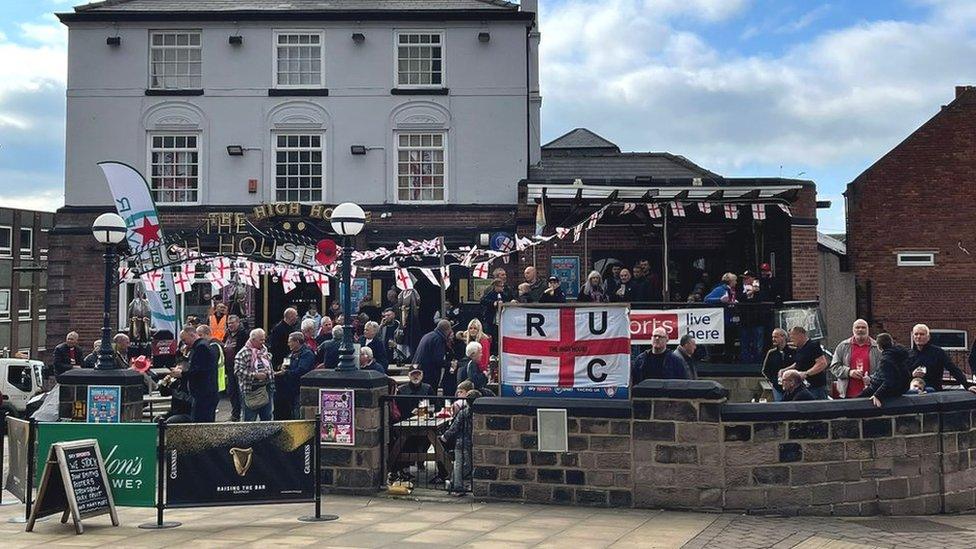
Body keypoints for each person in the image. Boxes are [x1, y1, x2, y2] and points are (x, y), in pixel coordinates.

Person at [172, 325, 219, 422]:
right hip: (204, 393)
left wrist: (182, 373)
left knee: (200, 423)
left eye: (185, 340)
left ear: (192, 335)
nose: (184, 343)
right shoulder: (201, 346)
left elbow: (199, 370)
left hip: (204, 394)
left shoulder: (201, 347)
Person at [910, 323, 976, 392]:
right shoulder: (908, 354)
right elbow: (902, 374)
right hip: (913, 393)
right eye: (916, 334)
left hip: (933, 393)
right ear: (913, 336)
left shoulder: (938, 352)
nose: (918, 337)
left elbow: (953, 369)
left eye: (922, 334)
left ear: (928, 337)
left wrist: (967, 385)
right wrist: (912, 374)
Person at [441, 388, 481, 496]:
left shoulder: (463, 412)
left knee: (459, 465)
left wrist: (445, 437)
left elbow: (454, 427)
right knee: (467, 465)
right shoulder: (476, 414)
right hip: (469, 443)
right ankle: (458, 486)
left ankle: (455, 484)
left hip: (460, 442)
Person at [829, 319, 880, 398]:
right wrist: (849, 372)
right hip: (847, 395)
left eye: (863, 327)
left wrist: (871, 379)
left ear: (868, 330)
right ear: (853, 330)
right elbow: (834, 367)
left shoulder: (877, 347)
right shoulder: (843, 346)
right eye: (857, 327)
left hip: (872, 395)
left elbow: (883, 370)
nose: (860, 330)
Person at [858, 333, 911, 406]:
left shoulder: (885, 360)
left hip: (881, 390)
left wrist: (877, 395)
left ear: (879, 346)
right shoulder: (901, 355)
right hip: (901, 390)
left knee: (857, 400)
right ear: (891, 342)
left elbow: (889, 381)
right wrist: (871, 378)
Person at [234, 328, 275, 421]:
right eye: (261, 340)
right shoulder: (243, 353)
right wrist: (255, 375)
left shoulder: (264, 350)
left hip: (266, 390)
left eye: (264, 339)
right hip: (250, 392)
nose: (263, 342)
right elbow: (238, 371)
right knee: (249, 420)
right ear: (253, 340)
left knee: (267, 419)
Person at [778, 326, 829, 400]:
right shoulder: (799, 348)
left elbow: (822, 363)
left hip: (815, 386)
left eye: (792, 337)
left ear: (800, 335)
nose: (791, 340)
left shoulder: (813, 345)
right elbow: (798, 363)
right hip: (803, 386)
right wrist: (785, 370)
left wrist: (806, 373)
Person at [274, 332, 316, 420]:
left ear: (297, 341)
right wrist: (281, 367)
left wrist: (286, 373)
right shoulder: (291, 353)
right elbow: (286, 364)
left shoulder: (307, 354)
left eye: (290, 341)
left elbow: (302, 370)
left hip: (299, 389)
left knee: (297, 412)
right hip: (289, 390)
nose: (288, 344)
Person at [414, 320, 453, 392]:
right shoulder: (438, 339)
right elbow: (438, 360)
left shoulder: (428, 335)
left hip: (419, 369)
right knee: (430, 395)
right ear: (448, 330)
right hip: (429, 373)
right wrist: (450, 364)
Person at [222, 314, 248, 422]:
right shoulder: (227, 334)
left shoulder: (244, 334)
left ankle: (245, 414)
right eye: (229, 323)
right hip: (229, 368)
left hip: (241, 368)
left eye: (232, 323)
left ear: (238, 323)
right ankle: (235, 414)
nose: (230, 325)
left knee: (241, 392)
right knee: (232, 391)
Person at [737, 270, 764, 364]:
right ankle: (745, 361)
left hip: (757, 319)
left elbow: (762, 298)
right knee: (745, 342)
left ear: (752, 278)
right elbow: (738, 298)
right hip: (745, 319)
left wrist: (755, 290)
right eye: (744, 278)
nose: (745, 280)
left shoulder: (759, 287)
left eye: (747, 278)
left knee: (758, 342)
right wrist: (748, 293)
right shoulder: (740, 288)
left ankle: (758, 360)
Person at [762, 328, 793, 401]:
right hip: (778, 387)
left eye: (775, 337)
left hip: (792, 387)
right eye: (772, 337)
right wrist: (773, 382)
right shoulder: (771, 353)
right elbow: (765, 370)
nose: (773, 339)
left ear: (783, 337)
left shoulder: (793, 351)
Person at [196, 324, 226, 399]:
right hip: (215, 381)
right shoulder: (212, 345)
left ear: (208, 334)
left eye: (200, 335)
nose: (198, 338)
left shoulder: (213, 346)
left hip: (214, 380)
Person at [480, 277, 511, 342]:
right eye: (501, 286)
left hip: (500, 319)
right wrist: (493, 303)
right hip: (491, 319)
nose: (502, 288)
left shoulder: (503, 294)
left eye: (503, 286)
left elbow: (507, 300)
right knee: (490, 336)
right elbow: (482, 300)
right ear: (496, 286)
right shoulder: (490, 293)